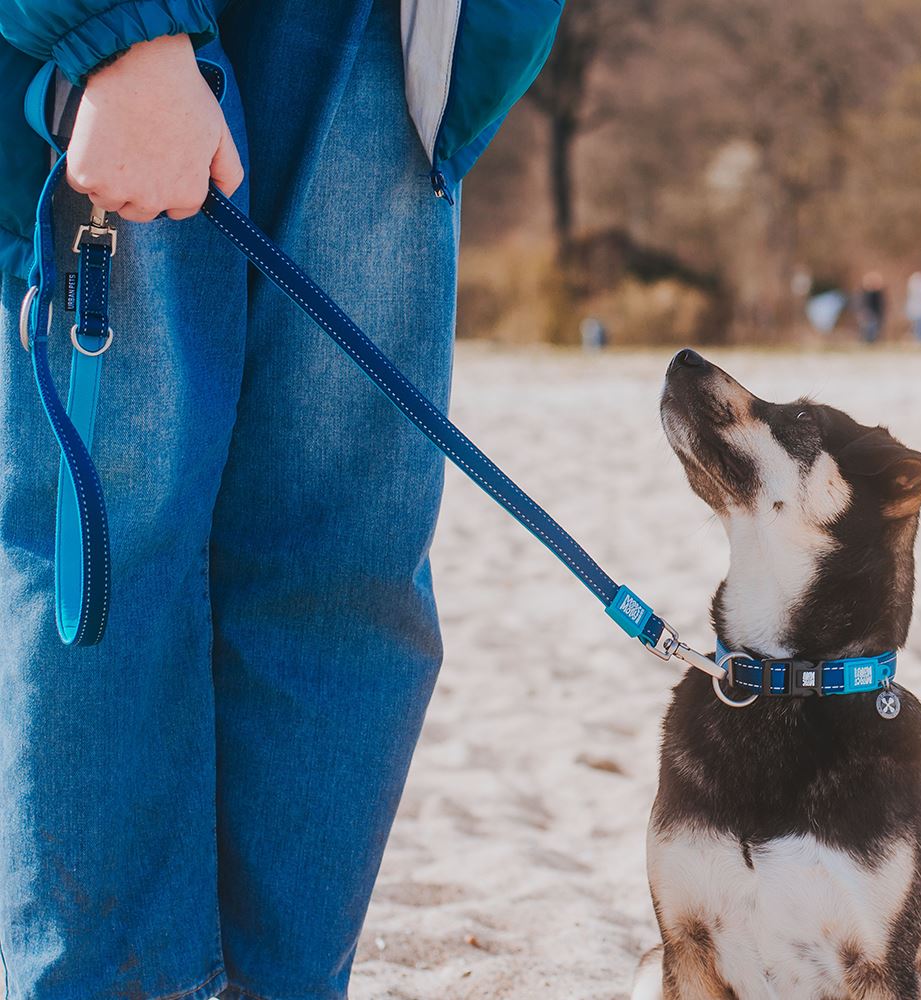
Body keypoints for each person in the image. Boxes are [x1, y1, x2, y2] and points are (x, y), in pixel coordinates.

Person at [0, 2, 558, 998]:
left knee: (344, 566)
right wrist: (113, 25)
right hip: (127, 44)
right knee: (109, 546)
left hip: (392, 39)